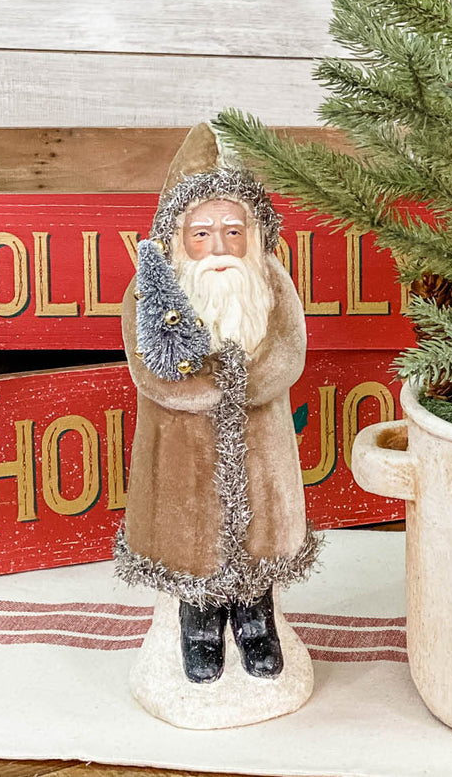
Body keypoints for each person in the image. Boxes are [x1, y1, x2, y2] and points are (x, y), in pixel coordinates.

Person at [114, 122, 319, 683]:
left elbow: (287, 352)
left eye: (234, 230)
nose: (220, 247)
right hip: (182, 450)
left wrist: (245, 384)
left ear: (255, 234)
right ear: (177, 236)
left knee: (260, 540)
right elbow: (149, 368)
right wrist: (207, 389)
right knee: (193, 542)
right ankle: (199, 623)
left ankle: (256, 619)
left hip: (260, 450)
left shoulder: (272, 284)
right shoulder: (151, 290)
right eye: (202, 234)